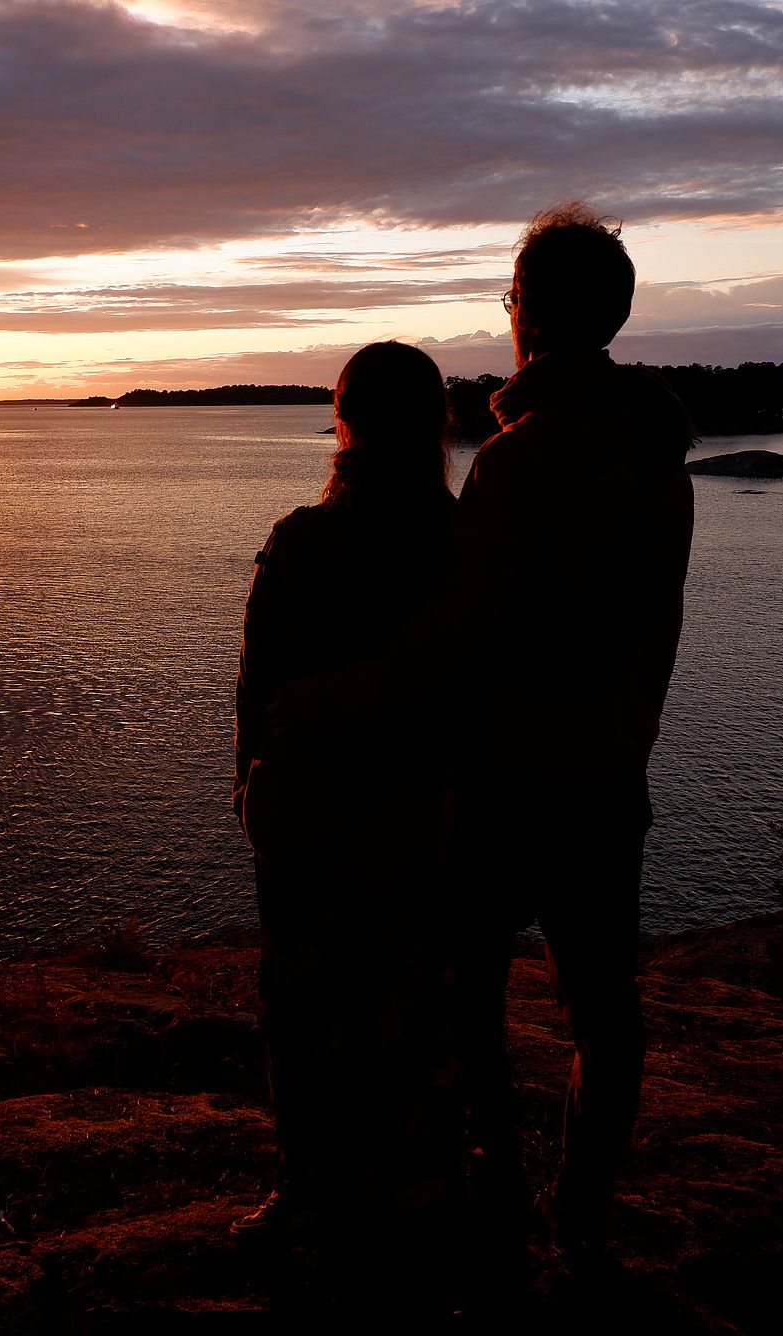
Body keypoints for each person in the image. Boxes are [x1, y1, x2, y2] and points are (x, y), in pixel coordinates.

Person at [272, 203, 695, 1276]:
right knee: (606, 1012)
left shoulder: (518, 464)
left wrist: (311, 705)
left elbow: (444, 647)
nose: (507, 319)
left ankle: (499, 1202)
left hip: (511, 783)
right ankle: (582, 1217)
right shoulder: (660, 459)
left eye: (510, 302)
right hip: (612, 781)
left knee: (464, 997)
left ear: (532, 318)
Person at [231, 341, 460, 1245]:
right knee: (414, 1017)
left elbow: (257, 684)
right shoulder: (462, 541)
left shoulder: (302, 542)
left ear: (344, 421)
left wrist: (250, 789)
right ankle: (416, 1193)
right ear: (435, 425)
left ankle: (309, 1196)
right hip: (426, 823)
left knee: (306, 1014)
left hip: (311, 821)